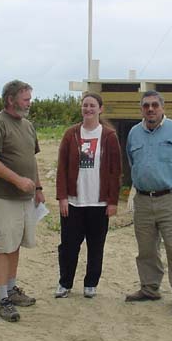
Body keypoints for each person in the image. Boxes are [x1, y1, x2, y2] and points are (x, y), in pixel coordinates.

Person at [125, 90, 172, 316]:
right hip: (143, 201)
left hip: (171, 201)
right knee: (146, 250)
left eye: (155, 105)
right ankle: (149, 288)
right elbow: (131, 161)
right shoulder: (134, 134)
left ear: (162, 107)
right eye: (146, 105)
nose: (150, 109)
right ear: (141, 109)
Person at [0, 80, 44, 322]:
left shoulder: (27, 126)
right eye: (26, 98)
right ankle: (3, 299)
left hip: (25, 198)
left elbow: (31, 159)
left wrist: (37, 187)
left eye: (30, 98)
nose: (30, 102)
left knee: (15, 244)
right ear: (10, 99)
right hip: (4, 197)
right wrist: (18, 180)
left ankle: (11, 289)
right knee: (2, 247)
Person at [55, 92, 122, 299]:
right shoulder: (71, 134)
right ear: (81, 108)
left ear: (100, 109)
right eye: (85, 105)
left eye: (92, 105)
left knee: (95, 246)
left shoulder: (109, 136)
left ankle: (90, 284)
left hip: (99, 202)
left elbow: (115, 171)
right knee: (68, 246)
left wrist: (112, 201)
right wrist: (63, 197)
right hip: (74, 202)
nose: (88, 109)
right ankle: (65, 283)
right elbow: (62, 168)